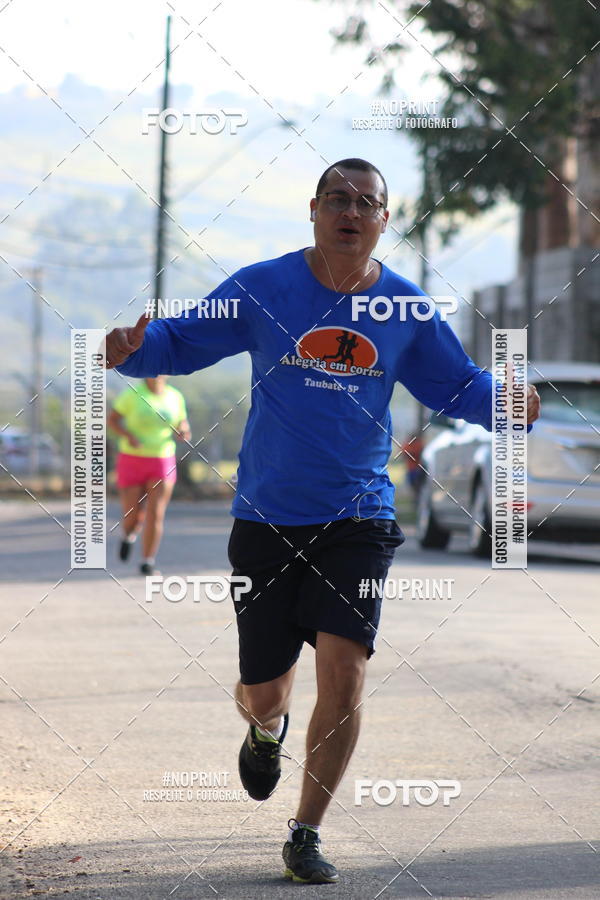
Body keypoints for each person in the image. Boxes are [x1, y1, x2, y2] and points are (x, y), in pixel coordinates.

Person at [105, 158, 541, 885]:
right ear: (313, 209)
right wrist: (130, 349)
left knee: (345, 672)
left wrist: (509, 403)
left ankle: (305, 830)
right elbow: (179, 341)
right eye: (337, 198)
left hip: (358, 517)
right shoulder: (263, 287)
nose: (350, 211)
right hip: (267, 516)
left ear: (383, 221)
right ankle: (265, 729)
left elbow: (457, 383)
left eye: (365, 203)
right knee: (265, 691)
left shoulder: (404, 310)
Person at [108, 376, 190, 576]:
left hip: (162, 459)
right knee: (133, 515)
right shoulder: (131, 394)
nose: (158, 372)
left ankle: (147, 561)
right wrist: (128, 436)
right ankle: (128, 535)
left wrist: (183, 432)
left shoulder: (175, 396)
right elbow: (112, 420)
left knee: (156, 512)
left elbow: (183, 424)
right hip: (132, 458)